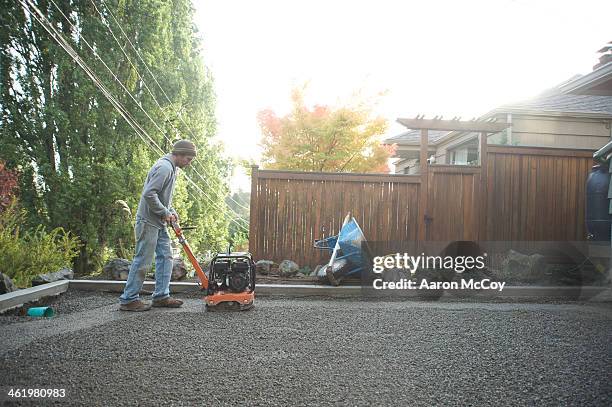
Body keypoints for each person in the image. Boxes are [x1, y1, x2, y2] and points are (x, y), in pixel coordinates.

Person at [119, 140, 197, 311]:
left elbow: (161, 197)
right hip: (148, 221)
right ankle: (128, 299)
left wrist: (171, 210)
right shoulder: (164, 168)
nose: (189, 163)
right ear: (180, 154)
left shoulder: (171, 168)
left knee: (166, 256)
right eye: (188, 159)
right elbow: (149, 194)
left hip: (158, 222)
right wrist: (164, 212)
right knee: (143, 260)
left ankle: (161, 296)